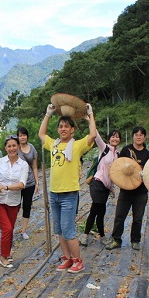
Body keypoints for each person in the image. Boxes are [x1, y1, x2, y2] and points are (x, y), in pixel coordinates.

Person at [39, 103, 96, 273]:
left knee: (68, 229)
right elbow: (42, 134)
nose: (63, 129)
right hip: (54, 193)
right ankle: (67, 258)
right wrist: (48, 114)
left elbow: (92, 135)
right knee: (59, 229)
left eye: (66, 126)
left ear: (72, 130)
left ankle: (78, 261)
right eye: (61, 126)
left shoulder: (77, 145)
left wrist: (90, 115)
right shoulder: (53, 144)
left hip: (69, 194)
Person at [0, 135, 29, 267]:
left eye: (14, 145)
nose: (12, 148)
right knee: (7, 228)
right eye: (9, 146)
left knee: (10, 229)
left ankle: (7, 252)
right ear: (5, 148)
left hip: (14, 202)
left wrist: (6, 187)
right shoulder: (0, 162)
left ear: (18, 147)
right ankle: (3, 257)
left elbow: (22, 185)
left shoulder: (23, 165)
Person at [106, 126, 149, 251]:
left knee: (138, 218)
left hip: (141, 192)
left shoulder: (147, 154)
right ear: (133, 136)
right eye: (136, 134)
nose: (138, 136)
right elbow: (118, 166)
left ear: (144, 137)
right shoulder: (126, 150)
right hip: (125, 190)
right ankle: (116, 239)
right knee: (120, 216)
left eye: (141, 135)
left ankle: (135, 240)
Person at [82, 129, 121, 245]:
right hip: (97, 183)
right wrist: (89, 118)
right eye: (113, 137)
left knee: (101, 211)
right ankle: (87, 235)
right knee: (95, 210)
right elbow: (96, 135)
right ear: (109, 139)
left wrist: (112, 188)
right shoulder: (104, 148)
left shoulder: (118, 154)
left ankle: (99, 235)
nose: (115, 139)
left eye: (117, 137)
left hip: (106, 188)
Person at [16, 126, 39, 240]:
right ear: (18, 137)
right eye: (20, 135)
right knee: (15, 205)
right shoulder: (15, 148)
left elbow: (34, 166)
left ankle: (23, 230)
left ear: (27, 136)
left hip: (29, 182)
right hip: (17, 183)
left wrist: (37, 182)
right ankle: (10, 228)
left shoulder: (32, 148)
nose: (22, 137)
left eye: (24, 135)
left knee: (27, 206)